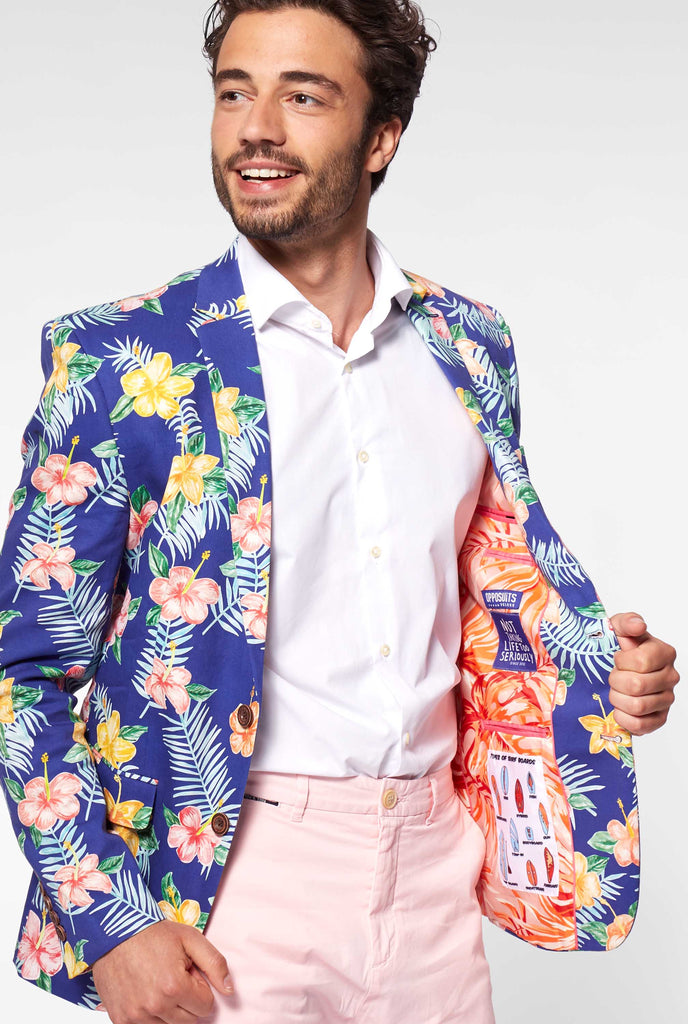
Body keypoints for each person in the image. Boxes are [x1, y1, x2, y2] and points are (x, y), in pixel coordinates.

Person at [0, 2, 679, 1022]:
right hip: (236, 882)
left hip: (435, 869)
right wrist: (114, 923)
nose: (254, 127)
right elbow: (25, 668)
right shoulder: (123, 362)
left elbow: (479, 609)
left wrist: (594, 669)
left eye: (301, 95)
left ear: (381, 138)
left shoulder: (469, 345)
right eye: (234, 91)